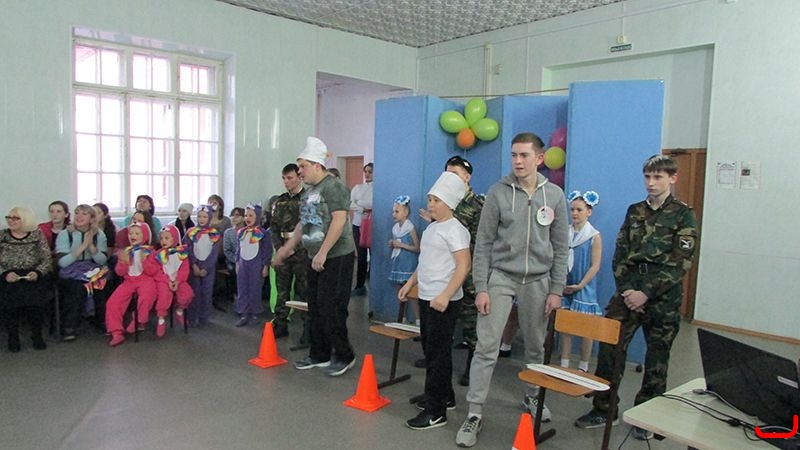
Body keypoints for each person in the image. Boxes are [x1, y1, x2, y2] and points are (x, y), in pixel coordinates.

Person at [456, 132, 569, 448]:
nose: (517, 161)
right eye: (514, 155)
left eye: (524, 155)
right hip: (502, 277)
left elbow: (561, 247)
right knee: (486, 347)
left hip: (538, 280)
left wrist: (556, 289)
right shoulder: (498, 192)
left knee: (535, 345)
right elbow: (483, 244)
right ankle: (474, 413)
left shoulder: (554, 195)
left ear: (539, 159)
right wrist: (481, 287)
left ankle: (532, 396)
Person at [574, 154, 697, 441]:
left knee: (657, 358)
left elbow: (681, 262)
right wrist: (629, 291)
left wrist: (646, 293)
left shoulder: (683, 214)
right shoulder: (635, 211)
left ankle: (647, 417)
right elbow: (620, 253)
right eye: (647, 177)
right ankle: (604, 409)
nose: (651, 183)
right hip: (628, 292)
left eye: (658, 177)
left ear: (672, 178)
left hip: (662, 296)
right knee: (609, 350)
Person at [274, 136, 357, 377]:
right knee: (316, 307)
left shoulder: (334, 187)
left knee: (332, 307)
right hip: (314, 256)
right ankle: (319, 354)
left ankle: (345, 354)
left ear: (317, 165)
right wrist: (286, 248)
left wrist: (323, 252)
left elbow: (339, 220)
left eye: (303, 166)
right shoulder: (309, 192)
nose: (299, 171)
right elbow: (304, 223)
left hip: (336, 257)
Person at [400, 172, 470, 430]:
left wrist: (446, 295)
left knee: (438, 353)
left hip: (443, 301)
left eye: (436, 200)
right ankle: (445, 395)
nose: (430, 204)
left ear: (450, 203)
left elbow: (463, 266)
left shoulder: (456, 230)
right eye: (430, 199)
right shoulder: (432, 228)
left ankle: (436, 410)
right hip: (428, 297)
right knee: (431, 350)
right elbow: (425, 262)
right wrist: (410, 283)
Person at [560, 190, 603, 371]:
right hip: (566, 285)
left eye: (579, 210)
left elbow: (595, 265)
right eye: (572, 210)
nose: (575, 213)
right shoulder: (565, 233)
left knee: (586, 328)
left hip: (583, 287)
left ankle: (583, 366)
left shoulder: (593, 236)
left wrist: (581, 285)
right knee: (566, 327)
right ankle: (564, 363)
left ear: (589, 212)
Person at [0, 207, 52, 352]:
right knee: (10, 299)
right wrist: (5, 274)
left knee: (35, 299)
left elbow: (46, 258)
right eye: (9, 217)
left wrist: (38, 272)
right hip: (8, 275)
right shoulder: (2, 235)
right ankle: (13, 337)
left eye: (15, 218)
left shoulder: (37, 234)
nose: (11, 221)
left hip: (32, 274)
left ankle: (36, 335)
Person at [55, 204, 110, 340]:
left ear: (92, 218)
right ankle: (69, 326)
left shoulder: (99, 235)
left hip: (92, 268)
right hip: (71, 270)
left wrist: (91, 246)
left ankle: (101, 320)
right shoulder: (65, 234)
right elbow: (63, 262)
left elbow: (102, 260)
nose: (79, 216)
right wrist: (83, 246)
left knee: (101, 284)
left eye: (84, 214)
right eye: (77, 213)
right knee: (77, 288)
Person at [269, 163, 307, 339]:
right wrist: (280, 249)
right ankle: (280, 323)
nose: (286, 181)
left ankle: (308, 327)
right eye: (284, 178)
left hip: (302, 251)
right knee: (282, 289)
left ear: (299, 177)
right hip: (283, 250)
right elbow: (274, 228)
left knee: (305, 290)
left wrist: (293, 248)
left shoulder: (308, 199)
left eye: (290, 178)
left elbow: (310, 228)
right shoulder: (280, 201)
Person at [105, 222, 157, 347]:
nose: (133, 236)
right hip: (129, 281)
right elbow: (119, 272)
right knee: (113, 302)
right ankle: (116, 332)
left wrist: (145, 262)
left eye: (137, 233)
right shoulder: (126, 251)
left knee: (147, 296)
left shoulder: (150, 251)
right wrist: (123, 262)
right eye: (131, 233)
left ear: (144, 236)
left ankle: (139, 321)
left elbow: (153, 271)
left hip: (145, 279)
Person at [150, 225, 193, 337]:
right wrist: (167, 280)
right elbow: (157, 271)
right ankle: (161, 319)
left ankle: (179, 311)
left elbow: (184, 270)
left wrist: (178, 281)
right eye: (161, 238)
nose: (163, 241)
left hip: (179, 280)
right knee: (163, 296)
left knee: (187, 294)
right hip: (163, 280)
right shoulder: (157, 255)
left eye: (167, 238)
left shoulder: (182, 253)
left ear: (175, 239)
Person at [233, 204, 272, 327]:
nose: (247, 218)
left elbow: (267, 251)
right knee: (242, 288)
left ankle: (255, 313)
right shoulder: (241, 232)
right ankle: (244, 313)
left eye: (251, 215)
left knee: (255, 288)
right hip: (243, 264)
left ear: (258, 217)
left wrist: (265, 265)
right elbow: (238, 249)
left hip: (256, 264)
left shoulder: (263, 233)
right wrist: (237, 262)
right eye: (246, 215)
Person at [185, 204, 220, 327]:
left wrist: (206, 267)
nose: (202, 219)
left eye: (205, 217)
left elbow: (214, 253)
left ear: (209, 217)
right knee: (194, 292)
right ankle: (192, 317)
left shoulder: (214, 233)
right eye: (199, 216)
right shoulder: (191, 232)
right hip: (194, 268)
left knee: (206, 293)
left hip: (208, 269)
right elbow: (187, 249)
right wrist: (194, 264)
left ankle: (204, 317)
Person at [388, 195, 420, 323]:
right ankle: (403, 318)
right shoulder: (395, 228)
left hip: (408, 264)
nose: (394, 214)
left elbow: (417, 248)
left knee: (411, 293)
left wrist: (401, 245)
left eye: (397, 211)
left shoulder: (410, 227)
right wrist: (392, 244)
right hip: (398, 263)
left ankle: (418, 320)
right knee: (401, 292)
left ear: (405, 212)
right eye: (393, 212)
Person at [349, 162, 373, 296]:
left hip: (372, 225)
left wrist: (360, 203)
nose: (367, 174)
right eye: (366, 171)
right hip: (358, 224)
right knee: (361, 256)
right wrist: (362, 208)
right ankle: (359, 285)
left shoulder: (377, 188)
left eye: (370, 172)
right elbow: (350, 203)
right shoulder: (357, 188)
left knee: (374, 256)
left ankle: (373, 283)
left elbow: (373, 203)